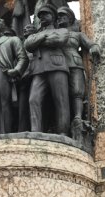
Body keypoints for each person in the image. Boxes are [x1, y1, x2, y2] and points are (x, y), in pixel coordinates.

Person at [24, 4, 70, 136]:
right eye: (40, 15)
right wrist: (43, 37)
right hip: (39, 70)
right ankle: (36, 131)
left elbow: (58, 40)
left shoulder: (62, 31)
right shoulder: (37, 34)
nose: (42, 17)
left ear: (53, 17)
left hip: (57, 66)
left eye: (45, 14)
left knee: (61, 100)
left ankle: (63, 132)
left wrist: (38, 39)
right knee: (34, 99)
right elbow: (28, 45)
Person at [55, 6, 100, 129]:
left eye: (62, 16)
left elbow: (91, 44)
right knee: (60, 93)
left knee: (77, 91)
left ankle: (78, 117)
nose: (59, 19)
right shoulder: (54, 33)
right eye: (58, 17)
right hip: (58, 65)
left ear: (69, 18)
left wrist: (94, 48)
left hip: (74, 64)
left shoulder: (77, 34)